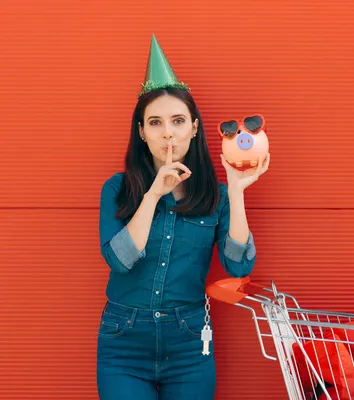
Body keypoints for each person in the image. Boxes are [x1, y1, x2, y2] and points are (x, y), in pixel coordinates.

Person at [96, 34, 269, 399]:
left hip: (190, 342)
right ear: (141, 132)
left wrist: (236, 191)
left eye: (177, 121)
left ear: (193, 127)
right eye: (155, 123)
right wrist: (153, 194)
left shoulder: (216, 196)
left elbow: (238, 266)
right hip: (123, 341)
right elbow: (120, 260)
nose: (168, 133)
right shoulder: (117, 188)